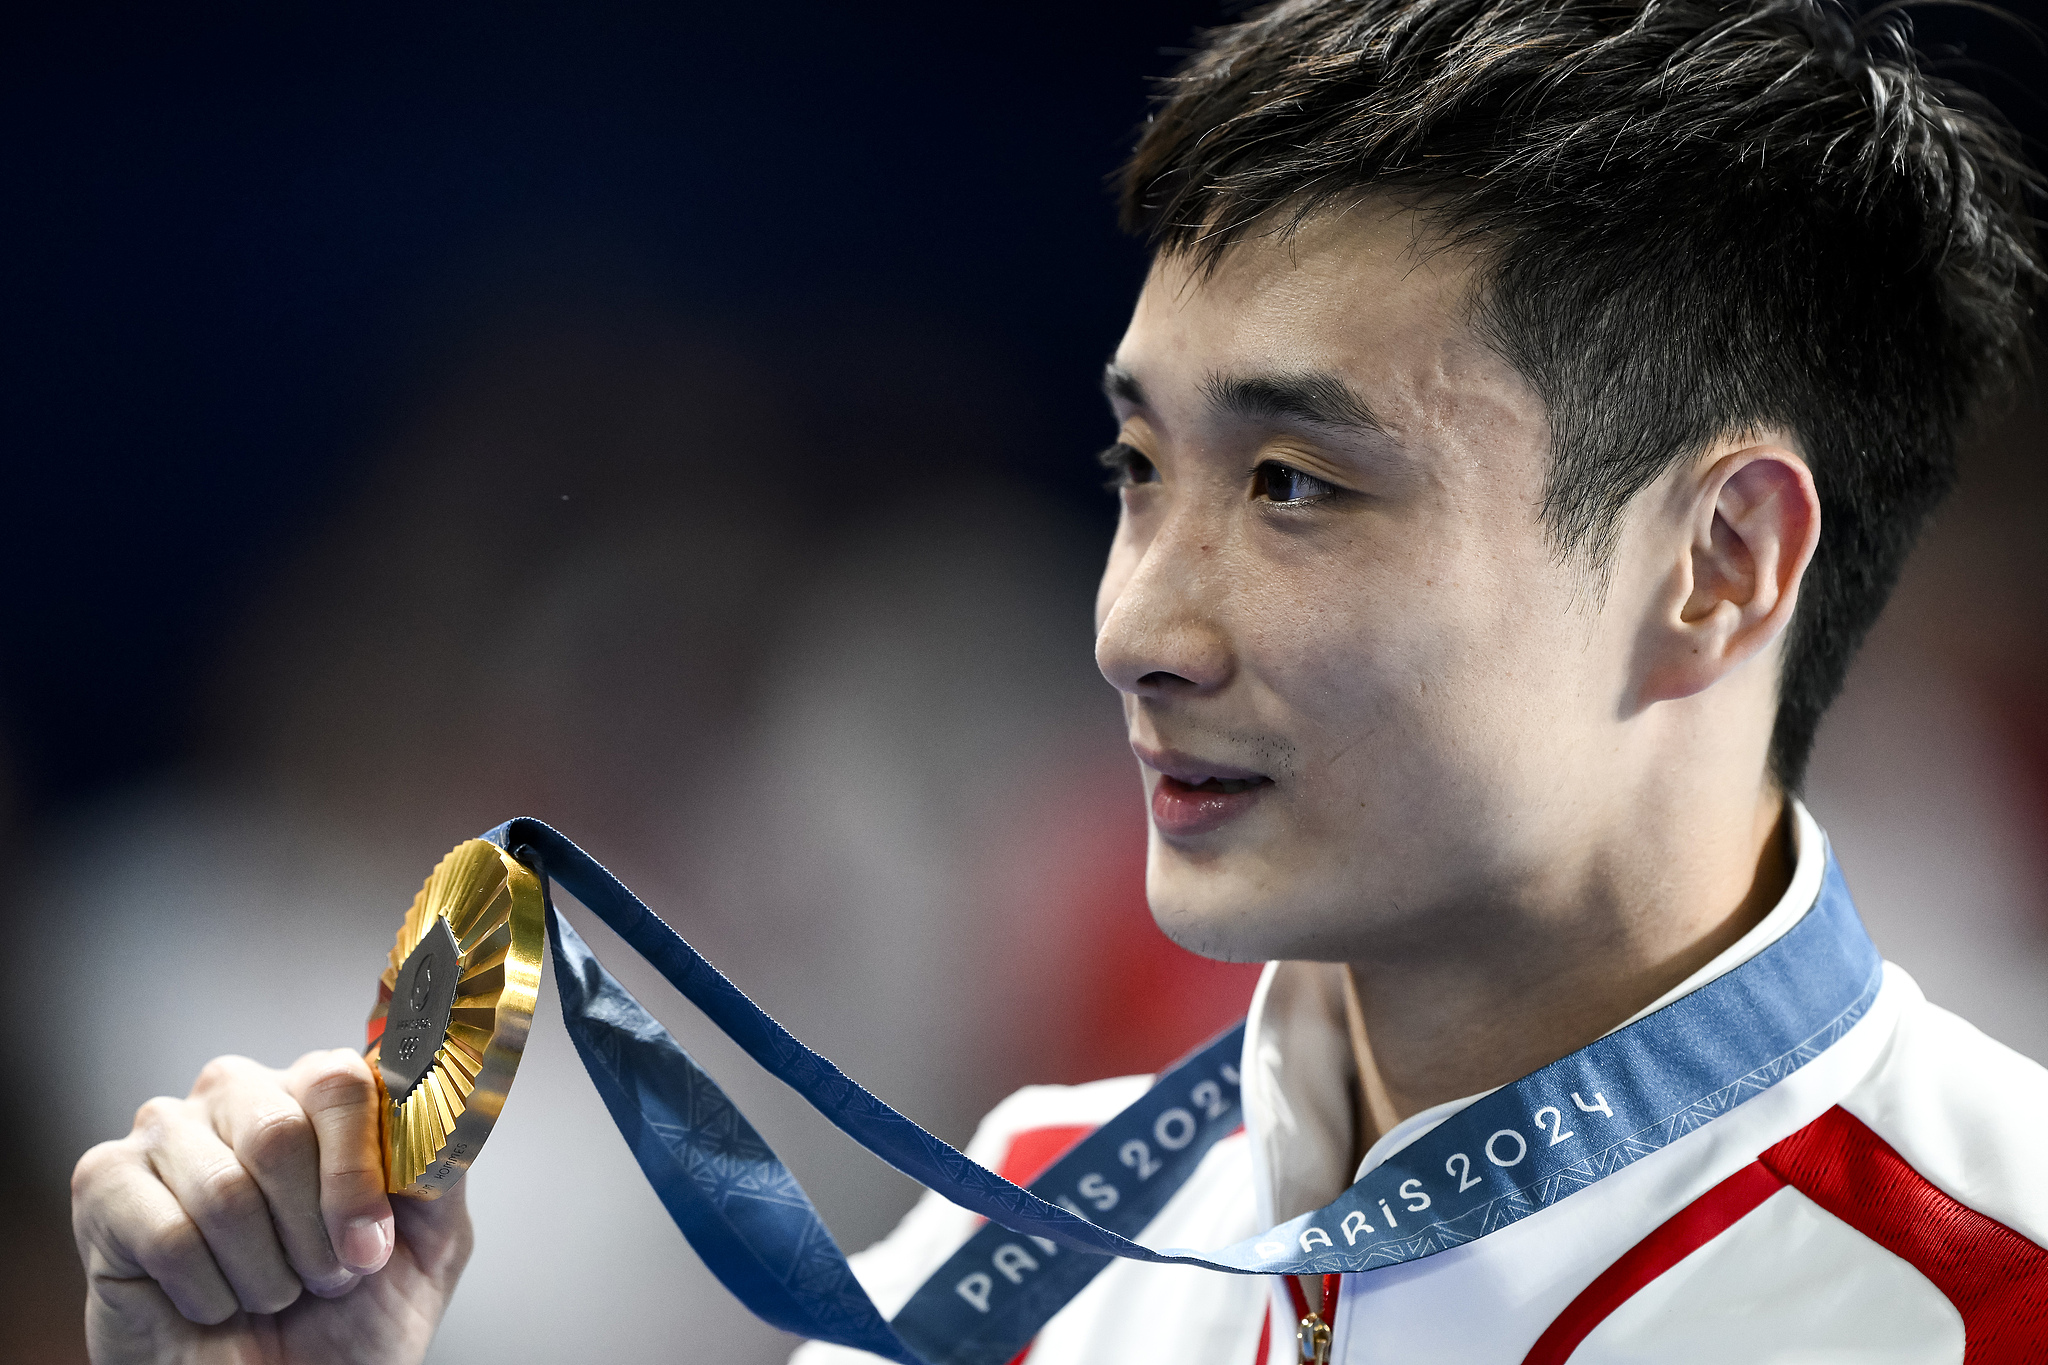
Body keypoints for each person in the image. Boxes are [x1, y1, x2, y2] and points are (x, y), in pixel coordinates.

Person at [68, 0, 2047, 1360]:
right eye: (1136, 472)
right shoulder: (1002, 1271)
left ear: (1718, 565)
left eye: (1293, 483)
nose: (1136, 624)